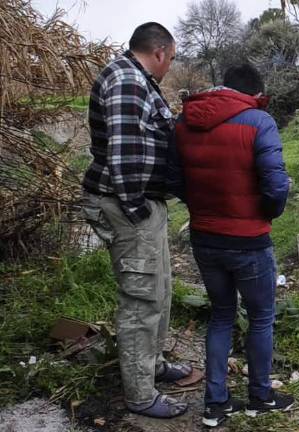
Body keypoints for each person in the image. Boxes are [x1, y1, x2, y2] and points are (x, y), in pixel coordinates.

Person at [168, 64, 293, 428]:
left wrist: (201, 209)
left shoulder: (184, 122)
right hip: (250, 241)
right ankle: (260, 397)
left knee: (221, 315)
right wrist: (267, 214)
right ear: (253, 94)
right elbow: (276, 184)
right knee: (261, 318)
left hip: (204, 238)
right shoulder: (258, 121)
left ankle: (215, 405)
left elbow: (174, 179)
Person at [81, 22, 190, 418]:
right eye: (172, 59)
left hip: (142, 204)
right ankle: (141, 395)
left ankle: (153, 366)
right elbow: (125, 152)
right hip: (129, 204)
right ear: (159, 52)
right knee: (141, 299)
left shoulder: (136, 78)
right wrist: (137, 209)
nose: (170, 66)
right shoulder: (128, 80)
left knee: (159, 290)